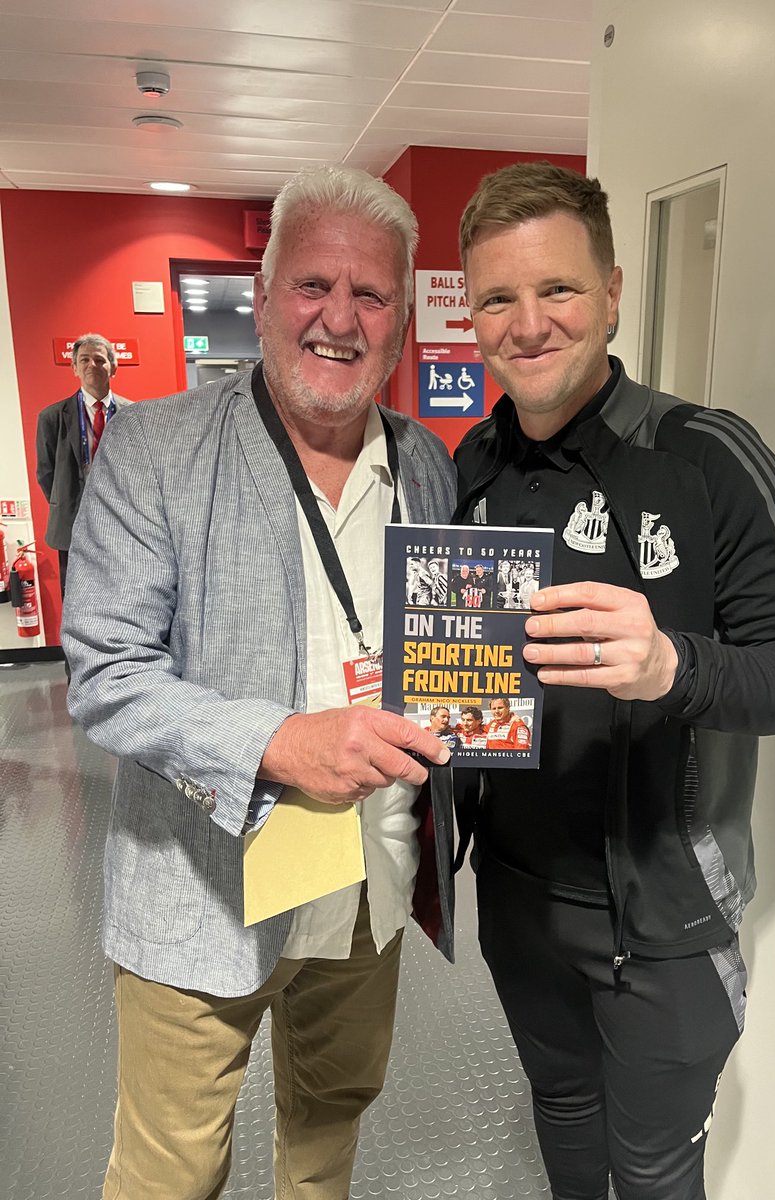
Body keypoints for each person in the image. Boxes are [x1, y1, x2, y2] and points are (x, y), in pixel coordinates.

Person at [453, 161, 775, 1200]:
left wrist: (674, 665)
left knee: (654, 1172)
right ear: (472, 312)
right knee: (568, 1133)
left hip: (666, 930)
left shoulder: (707, 456)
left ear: (615, 293)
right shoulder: (467, 468)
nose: (528, 323)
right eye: (499, 297)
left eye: (559, 290)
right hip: (518, 900)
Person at [62, 164, 457, 1200]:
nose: (340, 317)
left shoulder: (427, 464)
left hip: (370, 883)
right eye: (313, 285)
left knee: (327, 1140)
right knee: (170, 1170)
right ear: (266, 290)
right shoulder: (156, 449)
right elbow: (106, 674)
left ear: (402, 318)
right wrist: (277, 743)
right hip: (202, 886)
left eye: (370, 294)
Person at [35, 333, 130, 605]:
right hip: (72, 526)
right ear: (74, 368)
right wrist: (68, 503)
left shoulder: (133, 414)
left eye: (99, 360)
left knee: (123, 596)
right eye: (84, 360)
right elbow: (46, 473)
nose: (92, 365)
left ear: (113, 367)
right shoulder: (52, 417)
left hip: (121, 524)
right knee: (78, 600)